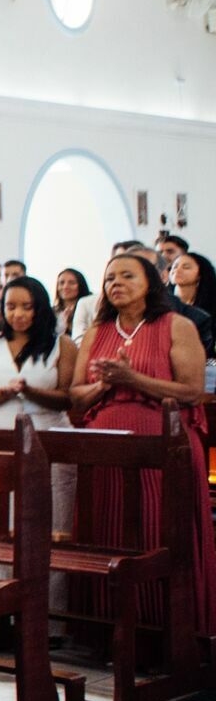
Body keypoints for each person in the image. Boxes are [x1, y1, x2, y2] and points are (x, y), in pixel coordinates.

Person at [73, 253, 215, 635]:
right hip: (106, 452)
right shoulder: (96, 332)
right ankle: (108, 631)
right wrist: (105, 384)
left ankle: (170, 632)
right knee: (109, 534)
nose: (115, 284)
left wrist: (133, 379)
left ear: (150, 283)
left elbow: (192, 391)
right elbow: (74, 395)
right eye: (109, 279)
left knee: (157, 534)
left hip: (163, 447)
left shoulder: (176, 326)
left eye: (127, 276)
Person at [0, 276, 77, 533]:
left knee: (50, 520)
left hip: (49, 434)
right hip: (1, 433)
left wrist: (30, 391)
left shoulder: (62, 344)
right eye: (10, 306)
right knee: (3, 519)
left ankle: (52, 574)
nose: (18, 314)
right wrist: (2, 393)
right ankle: (3, 573)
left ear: (40, 308)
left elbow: (67, 398)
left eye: (27, 307)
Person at [54, 267, 93, 343]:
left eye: (71, 283)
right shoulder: (52, 312)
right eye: (61, 283)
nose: (65, 287)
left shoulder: (89, 310)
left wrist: (70, 324)